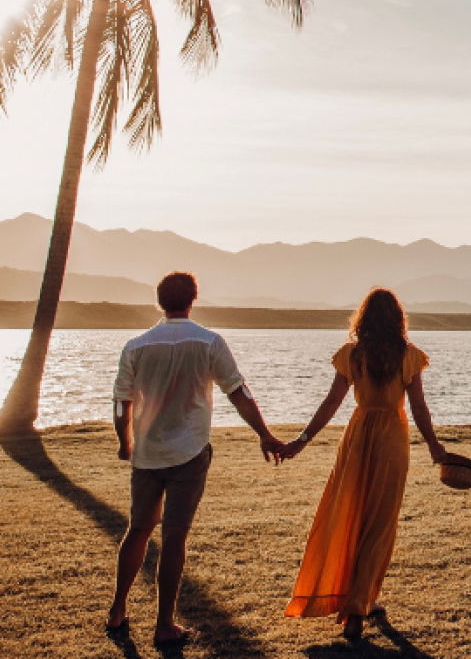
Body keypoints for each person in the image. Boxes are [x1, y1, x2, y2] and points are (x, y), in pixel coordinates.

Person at [109, 271, 286, 648]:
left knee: (138, 530)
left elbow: (122, 403)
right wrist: (264, 434)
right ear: (192, 300)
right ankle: (164, 624)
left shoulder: (136, 346)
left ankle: (117, 610)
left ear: (160, 302)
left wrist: (125, 443)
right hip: (189, 453)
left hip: (147, 454)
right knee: (175, 535)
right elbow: (239, 392)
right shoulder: (208, 342)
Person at [282, 287, 447, 642]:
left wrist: (303, 439)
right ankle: (360, 604)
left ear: (364, 318)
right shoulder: (409, 356)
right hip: (391, 438)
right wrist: (434, 446)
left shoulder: (352, 355)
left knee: (350, 515)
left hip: (357, 437)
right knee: (379, 524)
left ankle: (359, 602)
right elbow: (418, 407)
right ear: (398, 319)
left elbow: (331, 403)